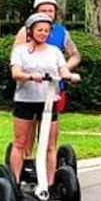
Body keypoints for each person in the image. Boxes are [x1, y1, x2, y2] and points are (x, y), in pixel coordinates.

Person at [9, 13, 80, 186]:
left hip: (49, 101)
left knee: (49, 145)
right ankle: (15, 182)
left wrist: (70, 76)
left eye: (46, 31)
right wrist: (30, 76)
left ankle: (49, 183)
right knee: (20, 142)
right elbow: (15, 73)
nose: (43, 33)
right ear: (30, 31)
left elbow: (62, 69)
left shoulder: (54, 51)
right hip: (25, 101)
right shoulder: (20, 51)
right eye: (39, 30)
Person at [14, 0, 81, 112]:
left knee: (51, 118)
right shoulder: (26, 31)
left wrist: (63, 70)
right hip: (31, 88)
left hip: (53, 85)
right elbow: (16, 59)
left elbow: (75, 56)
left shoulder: (61, 32)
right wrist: (29, 75)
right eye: (43, 10)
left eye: (51, 11)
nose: (47, 14)